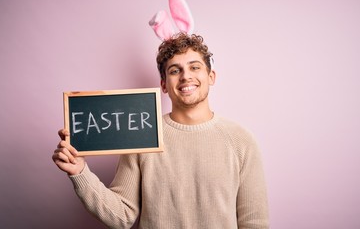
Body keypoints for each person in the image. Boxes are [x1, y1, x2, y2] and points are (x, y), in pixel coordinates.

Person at [52, 32, 269, 228]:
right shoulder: (141, 136)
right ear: (164, 84)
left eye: (195, 67)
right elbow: (120, 216)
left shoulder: (241, 141)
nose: (186, 76)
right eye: (175, 70)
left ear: (211, 76)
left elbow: (254, 223)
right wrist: (80, 172)